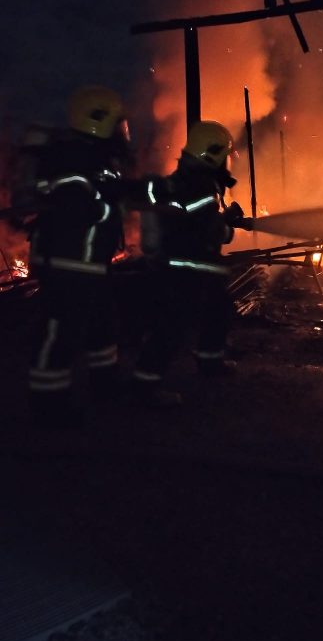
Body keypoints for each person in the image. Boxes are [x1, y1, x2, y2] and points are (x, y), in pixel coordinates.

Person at [26, 85, 131, 428]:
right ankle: (48, 403)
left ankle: (105, 384)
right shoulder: (72, 158)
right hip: (67, 262)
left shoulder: (95, 157)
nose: (123, 131)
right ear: (99, 120)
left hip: (88, 262)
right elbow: (76, 205)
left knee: (102, 323)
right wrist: (106, 209)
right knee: (61, 330)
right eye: (118, 123)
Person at [130, 120, 244, 406]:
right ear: (214, 153)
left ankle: (210, 362)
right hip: (188, 266)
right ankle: (143, 387)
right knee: (172, 327)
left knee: (218, 309)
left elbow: (193, 219)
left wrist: (221, 219)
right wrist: (228, 229)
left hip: (188, 263)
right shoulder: (202, 185)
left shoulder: (184, 179)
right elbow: (209, 228)